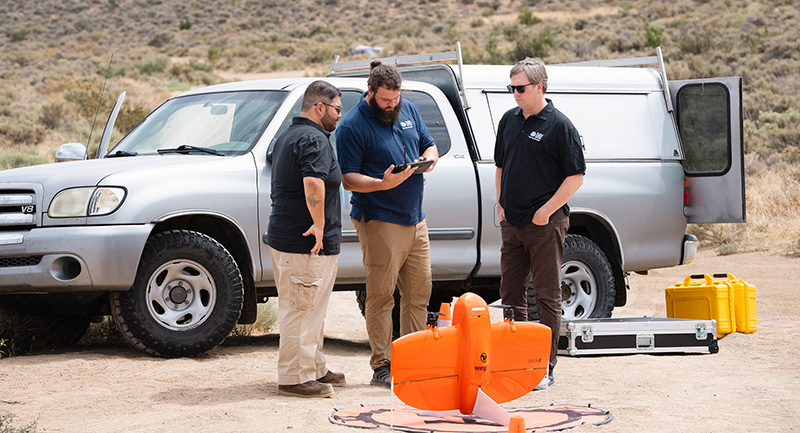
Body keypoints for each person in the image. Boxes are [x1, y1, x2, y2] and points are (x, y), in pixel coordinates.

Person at [336, 61, 438, 388]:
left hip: (415, 217)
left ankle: (414, 359)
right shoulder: (352, 126)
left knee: (419, 292)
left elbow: (428, 143)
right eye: (385, 100)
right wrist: (381, 184)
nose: (392, 105)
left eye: (395, 99)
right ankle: (382, 365)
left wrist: (429, 159)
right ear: (370, 92)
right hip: (379, 217)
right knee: (382, 295)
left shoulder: (407, 108)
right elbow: (348, 178)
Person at [494, 57, 586, 387]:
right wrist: (501, 203)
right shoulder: (508, 120)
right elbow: (501, 166)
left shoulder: (559, 125)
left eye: (520, 88)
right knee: (510, 292)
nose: (515, 94)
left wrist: (546, 211)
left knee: (547, 295)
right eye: (511, 88)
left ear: (539, 87)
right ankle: (518, 360)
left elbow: (576, 176)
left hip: (545, 224)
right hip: (512, 223)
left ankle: (545, 367)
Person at [267, 80, 346, 398]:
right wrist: (318, 225)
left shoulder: (291, 133)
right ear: (320, 107)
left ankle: (313, 367)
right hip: (305, 242)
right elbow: (313, 183)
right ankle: (294, 377)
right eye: (337, 109)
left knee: (312, 307)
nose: (339, 116)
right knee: (301, 307)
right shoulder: (313, 139)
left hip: (290, 239)